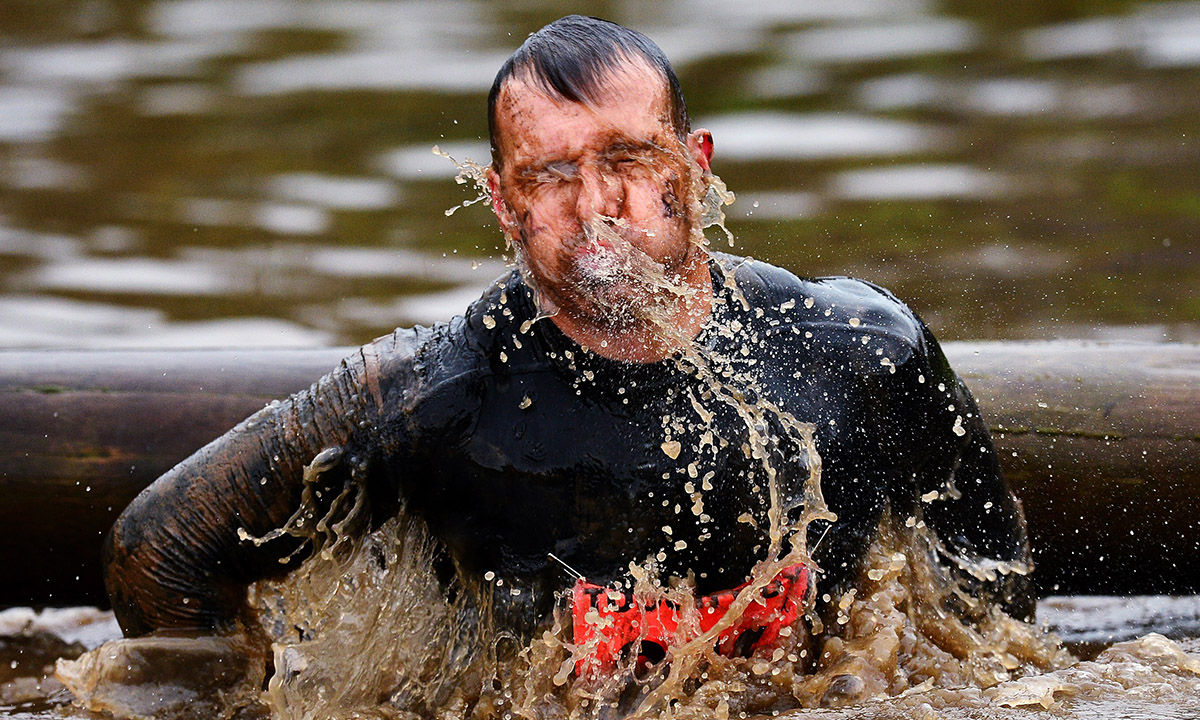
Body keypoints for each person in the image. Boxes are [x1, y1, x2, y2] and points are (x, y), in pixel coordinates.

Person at [104, 15, 1033, 658]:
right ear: (504, 205)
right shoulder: (439, 398)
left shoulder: (862, 352)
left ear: (694, 167)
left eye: (627, 159)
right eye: (551, 177)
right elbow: (160, 548)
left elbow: (997, 622)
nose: (596, 208)